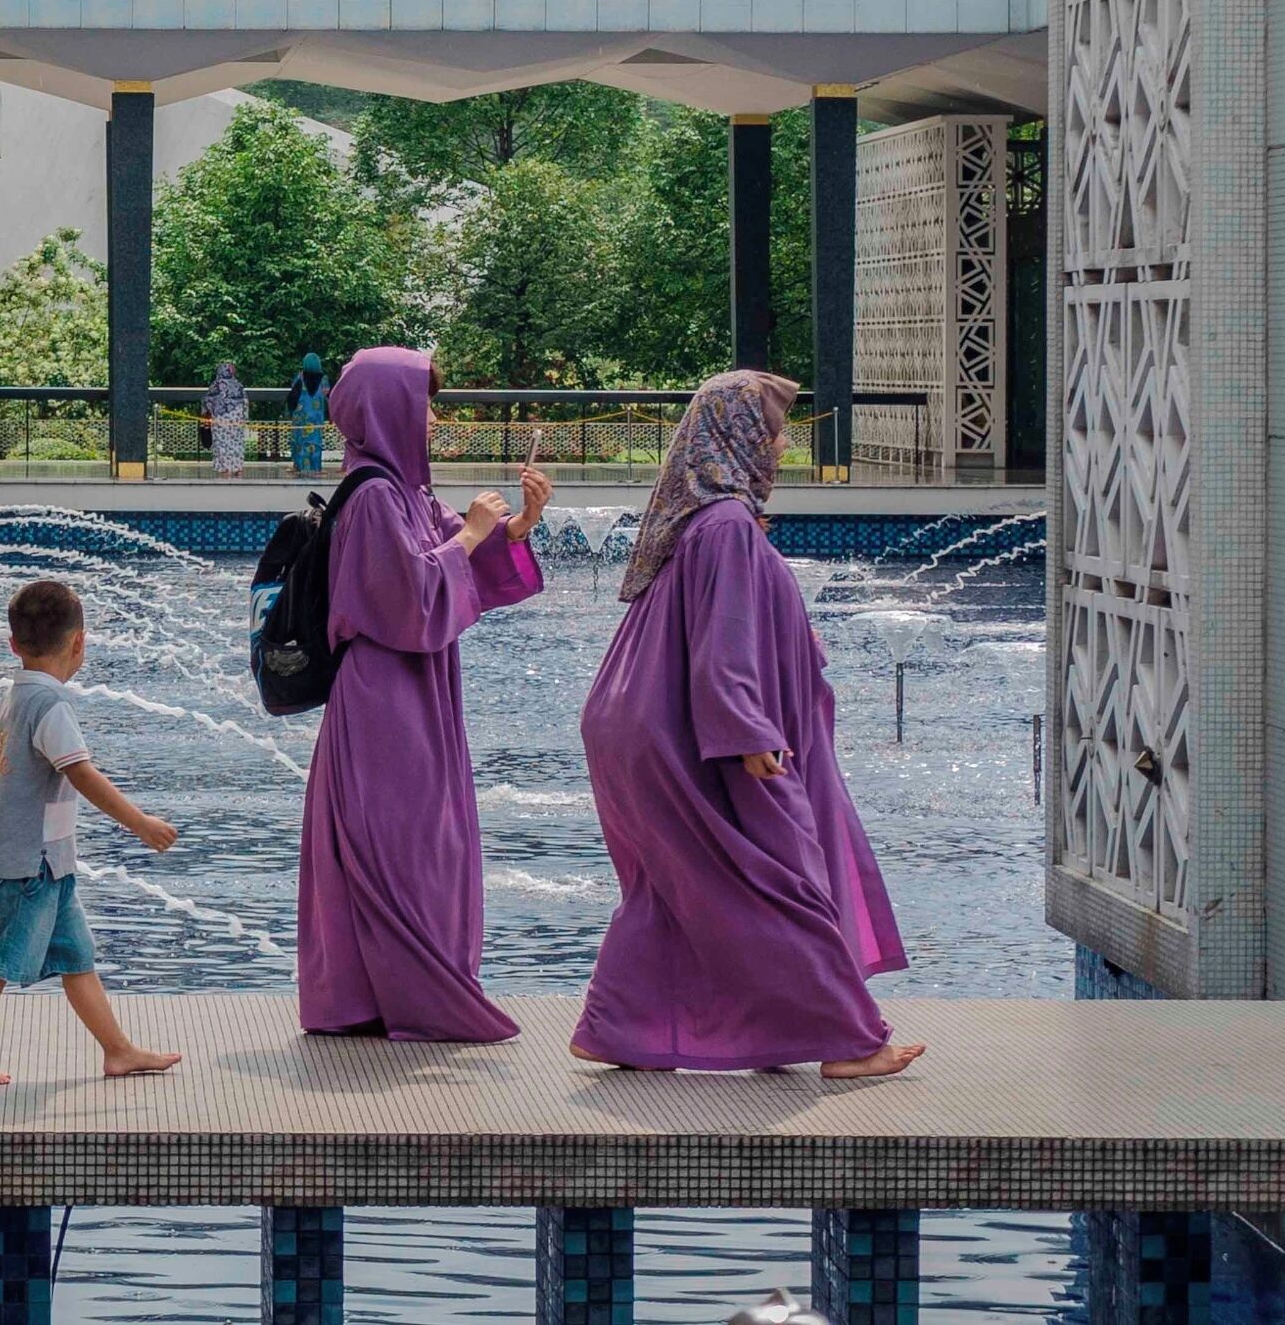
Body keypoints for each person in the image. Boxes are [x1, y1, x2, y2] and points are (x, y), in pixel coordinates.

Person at [571, 371, 923, 1080]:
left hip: (645, 727)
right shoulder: (725, 526)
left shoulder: (706, 520)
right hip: (706, 738)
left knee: (677, 886)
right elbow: (724, 647)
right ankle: (850, 1041)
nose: (784, 444)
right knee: (779, 879)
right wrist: (749, 733)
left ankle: (617, 1027)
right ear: (737, 436)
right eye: (775, 429)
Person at [298, 346, 550, 1041]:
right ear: (389, 408)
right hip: (386, 695)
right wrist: (470, 532)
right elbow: (407, 599)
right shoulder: (375, 494)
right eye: (424, 403)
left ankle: (381, 993)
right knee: (403, 844)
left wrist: (516, 525)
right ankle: (407, 995)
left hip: (415, 689)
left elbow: (459, 558)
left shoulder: (404, 490)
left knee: (422, 841)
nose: (433, 418)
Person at [0, 580, 183, 1086]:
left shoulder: (14, 698)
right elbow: (82, 773)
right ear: (80, 642)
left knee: (78, 959)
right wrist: (140, 822)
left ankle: (118, 1051)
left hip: (49, 867)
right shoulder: (51, 706)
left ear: (13, 644)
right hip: (26, 869)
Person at [204, 361, 249, 478]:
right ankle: (238, 468)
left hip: (220, 419)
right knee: (237, 443)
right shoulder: (238, 385)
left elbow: (208, 402)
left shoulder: (216, 385)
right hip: (237, 419)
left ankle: (225, 469)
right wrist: (244, 418)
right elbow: (245, 402)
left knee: (222, 443)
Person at [288, 352, 330, 475]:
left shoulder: (299, 378)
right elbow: (329, 397)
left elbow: (292, 397)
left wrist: (291, 412)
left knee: (299, 442)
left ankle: (299, 467)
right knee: (315, 443)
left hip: (300, 418)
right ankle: (316, 468)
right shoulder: (324, 380)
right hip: (316, 419)